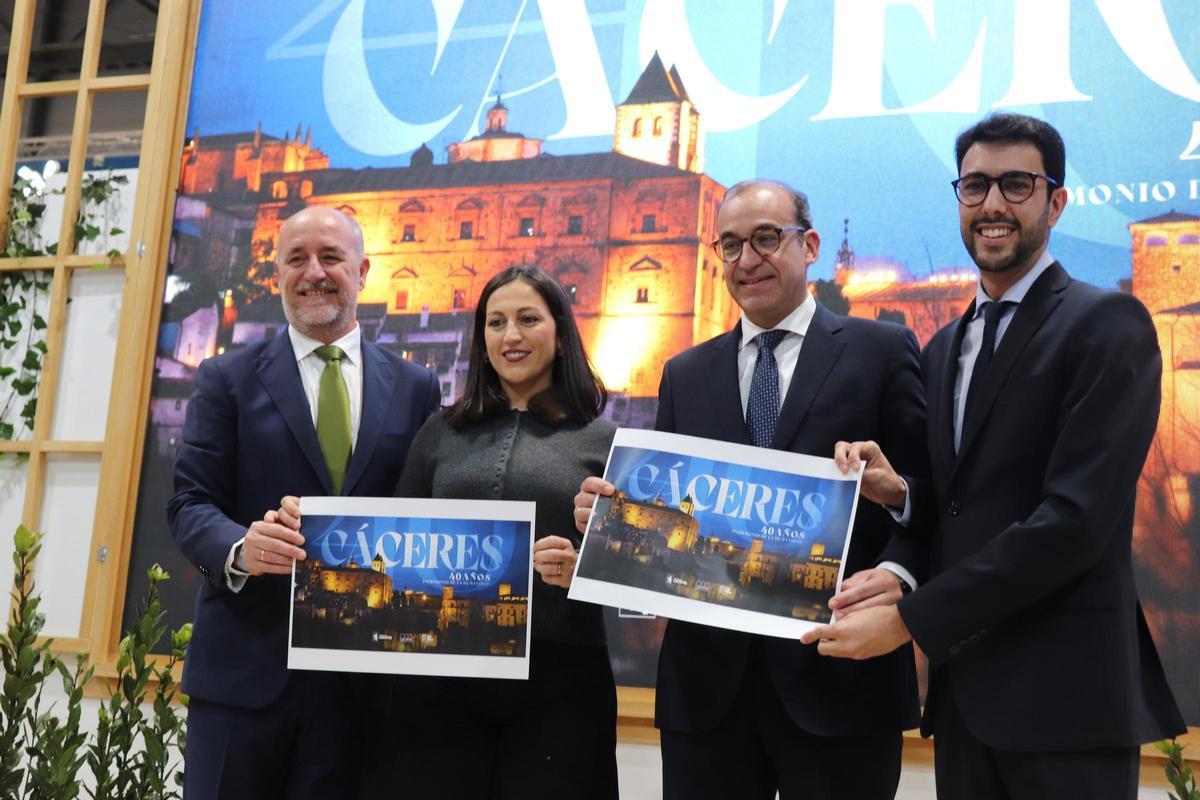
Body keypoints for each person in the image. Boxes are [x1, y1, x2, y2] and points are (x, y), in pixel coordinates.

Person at [802, 112, 1187, 799]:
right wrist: (903, 497)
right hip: (965, 704)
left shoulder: (1106, 323)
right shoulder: (944, 346)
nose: (993, 204)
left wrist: (910, 620)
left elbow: (1075, 520)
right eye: (975, 186)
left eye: (1017, 185)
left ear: (1055, 202)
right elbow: (965, 506)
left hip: (1068, 702)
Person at [575, 180, 929, 800]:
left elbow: (931, 496)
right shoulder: (685, 373)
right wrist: (611, 519)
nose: (747, 259)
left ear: (810, 245)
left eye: (767, 238)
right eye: (731, 245)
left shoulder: (881, 351)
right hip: (707, 694)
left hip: (842, 683)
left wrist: (897, 507)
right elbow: (671, 514)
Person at [278, 265, 619, 799]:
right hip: (436, 685)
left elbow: (635, 575)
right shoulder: (440, 431)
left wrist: (585, 568)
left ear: (560, 333)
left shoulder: (605, 441)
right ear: (481, 340)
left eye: (528, 319)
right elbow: (390, 541)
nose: (510, 335)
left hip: (562, 684)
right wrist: (314, 535)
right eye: (495, 322)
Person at [167, 206, 440, 800]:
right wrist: (241, 548)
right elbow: (190, 502)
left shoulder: (417, 388)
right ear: (278, 275)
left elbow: (430, 515)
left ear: (362, 272)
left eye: (330, 257)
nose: (313, 272)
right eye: (296, 259)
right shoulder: (225, 378)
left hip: (362, 690)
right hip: (244, 676)